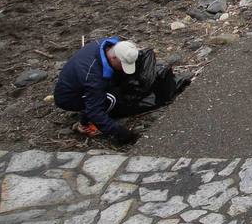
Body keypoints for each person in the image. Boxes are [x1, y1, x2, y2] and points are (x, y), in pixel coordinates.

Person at [53, 37, 188, 145]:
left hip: (84, 81)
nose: (124, 68)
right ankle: (85, 125)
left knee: (115, 87)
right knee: (113, 98)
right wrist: (120, 133)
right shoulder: (93, 77)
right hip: (69, 97)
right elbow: (94, 111)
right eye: (123, 65)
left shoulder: (112, 44)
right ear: (113, 58)